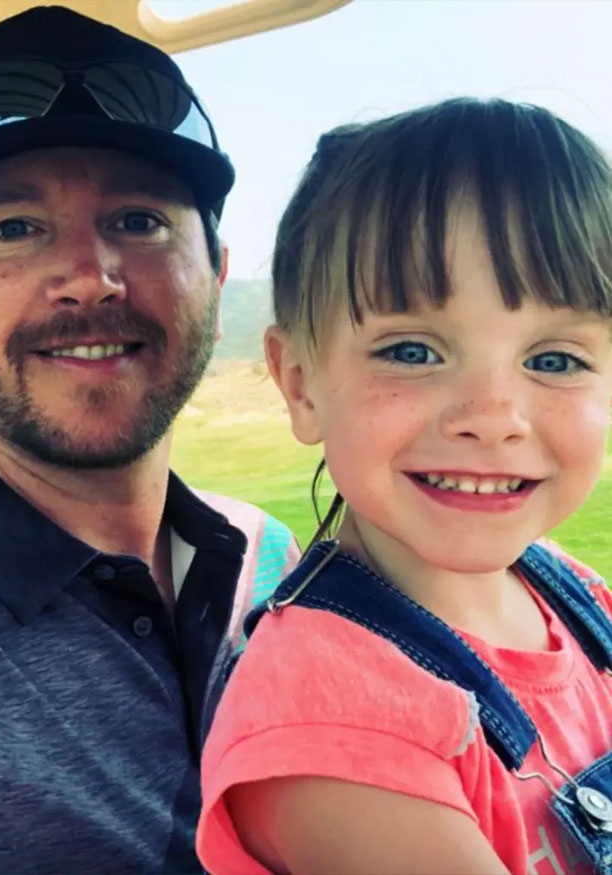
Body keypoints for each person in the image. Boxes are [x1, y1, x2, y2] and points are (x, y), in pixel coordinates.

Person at [0, 6, 299, 874]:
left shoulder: (274, 562)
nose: (89, 277)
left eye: (138, 220)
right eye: (11, 227)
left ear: (218, 271)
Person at [197, 98, 612, 875]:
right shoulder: (328, 720)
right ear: (302, 384)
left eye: (554, 359)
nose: (492, 418)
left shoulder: (574, 593)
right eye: (414, 350)